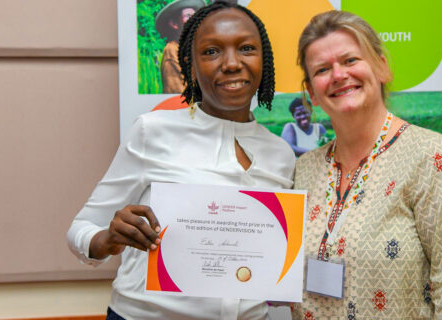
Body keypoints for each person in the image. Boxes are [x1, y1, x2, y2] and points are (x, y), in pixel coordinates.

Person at [67, 2, 295, 319]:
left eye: (246, 48)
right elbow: (80, 229)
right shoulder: (153, 131)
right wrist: (109, 238)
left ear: (264, 58)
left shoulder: (281, 153)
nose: (232, 63)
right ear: (190, 63)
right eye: (212, 51)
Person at [292, 10, 442, 319]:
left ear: (381, 68)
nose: (338, 75)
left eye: (350, 60)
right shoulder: (304, 169)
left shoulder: (431, 158)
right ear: (311, 93)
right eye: (322, 69)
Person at [155, 0, 206, 94]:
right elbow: (177, 95)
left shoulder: (195, 49)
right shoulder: (172, 51)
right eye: (188, 16)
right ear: (174, 24)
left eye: (195, 16)